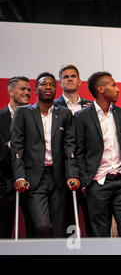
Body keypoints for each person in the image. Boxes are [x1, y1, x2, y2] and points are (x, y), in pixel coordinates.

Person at [10, 72, 79, 237]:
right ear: (35, 89)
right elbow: (16, 147)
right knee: (41, 225)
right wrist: (19, 177)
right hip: (34, 178)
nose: (48, 87)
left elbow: (70, 147)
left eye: (52, 84)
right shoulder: (23, 113)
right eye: (44, 84)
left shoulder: (64, 114)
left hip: (59, 178)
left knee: (58, 230)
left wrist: (73, 174)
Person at [74, 71, 121, 237]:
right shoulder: (82, 117)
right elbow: (79, 151)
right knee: (99, 236)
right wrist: (85, 181)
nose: (118, 89)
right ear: (101, 89)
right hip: (97, 184)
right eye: (113, 85)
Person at [54, 64, 93, 237]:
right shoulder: (52, 107)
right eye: (66, 77)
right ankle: (70, 251)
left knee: (93, 216)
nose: (70, 79)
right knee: (67, 219)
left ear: (80, 81)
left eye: (73, 76)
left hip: (88, 168)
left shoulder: (91, 106)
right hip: (62, 169)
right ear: (60, 82)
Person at [0, 76, 31, 238]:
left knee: (35, 228)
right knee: (4, 231)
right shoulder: (0, 118)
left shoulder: (34, 118)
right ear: (10, 91)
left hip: (31, 182)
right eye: (22, 89)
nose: (27, 92)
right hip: (5, 185)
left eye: (29, 90)